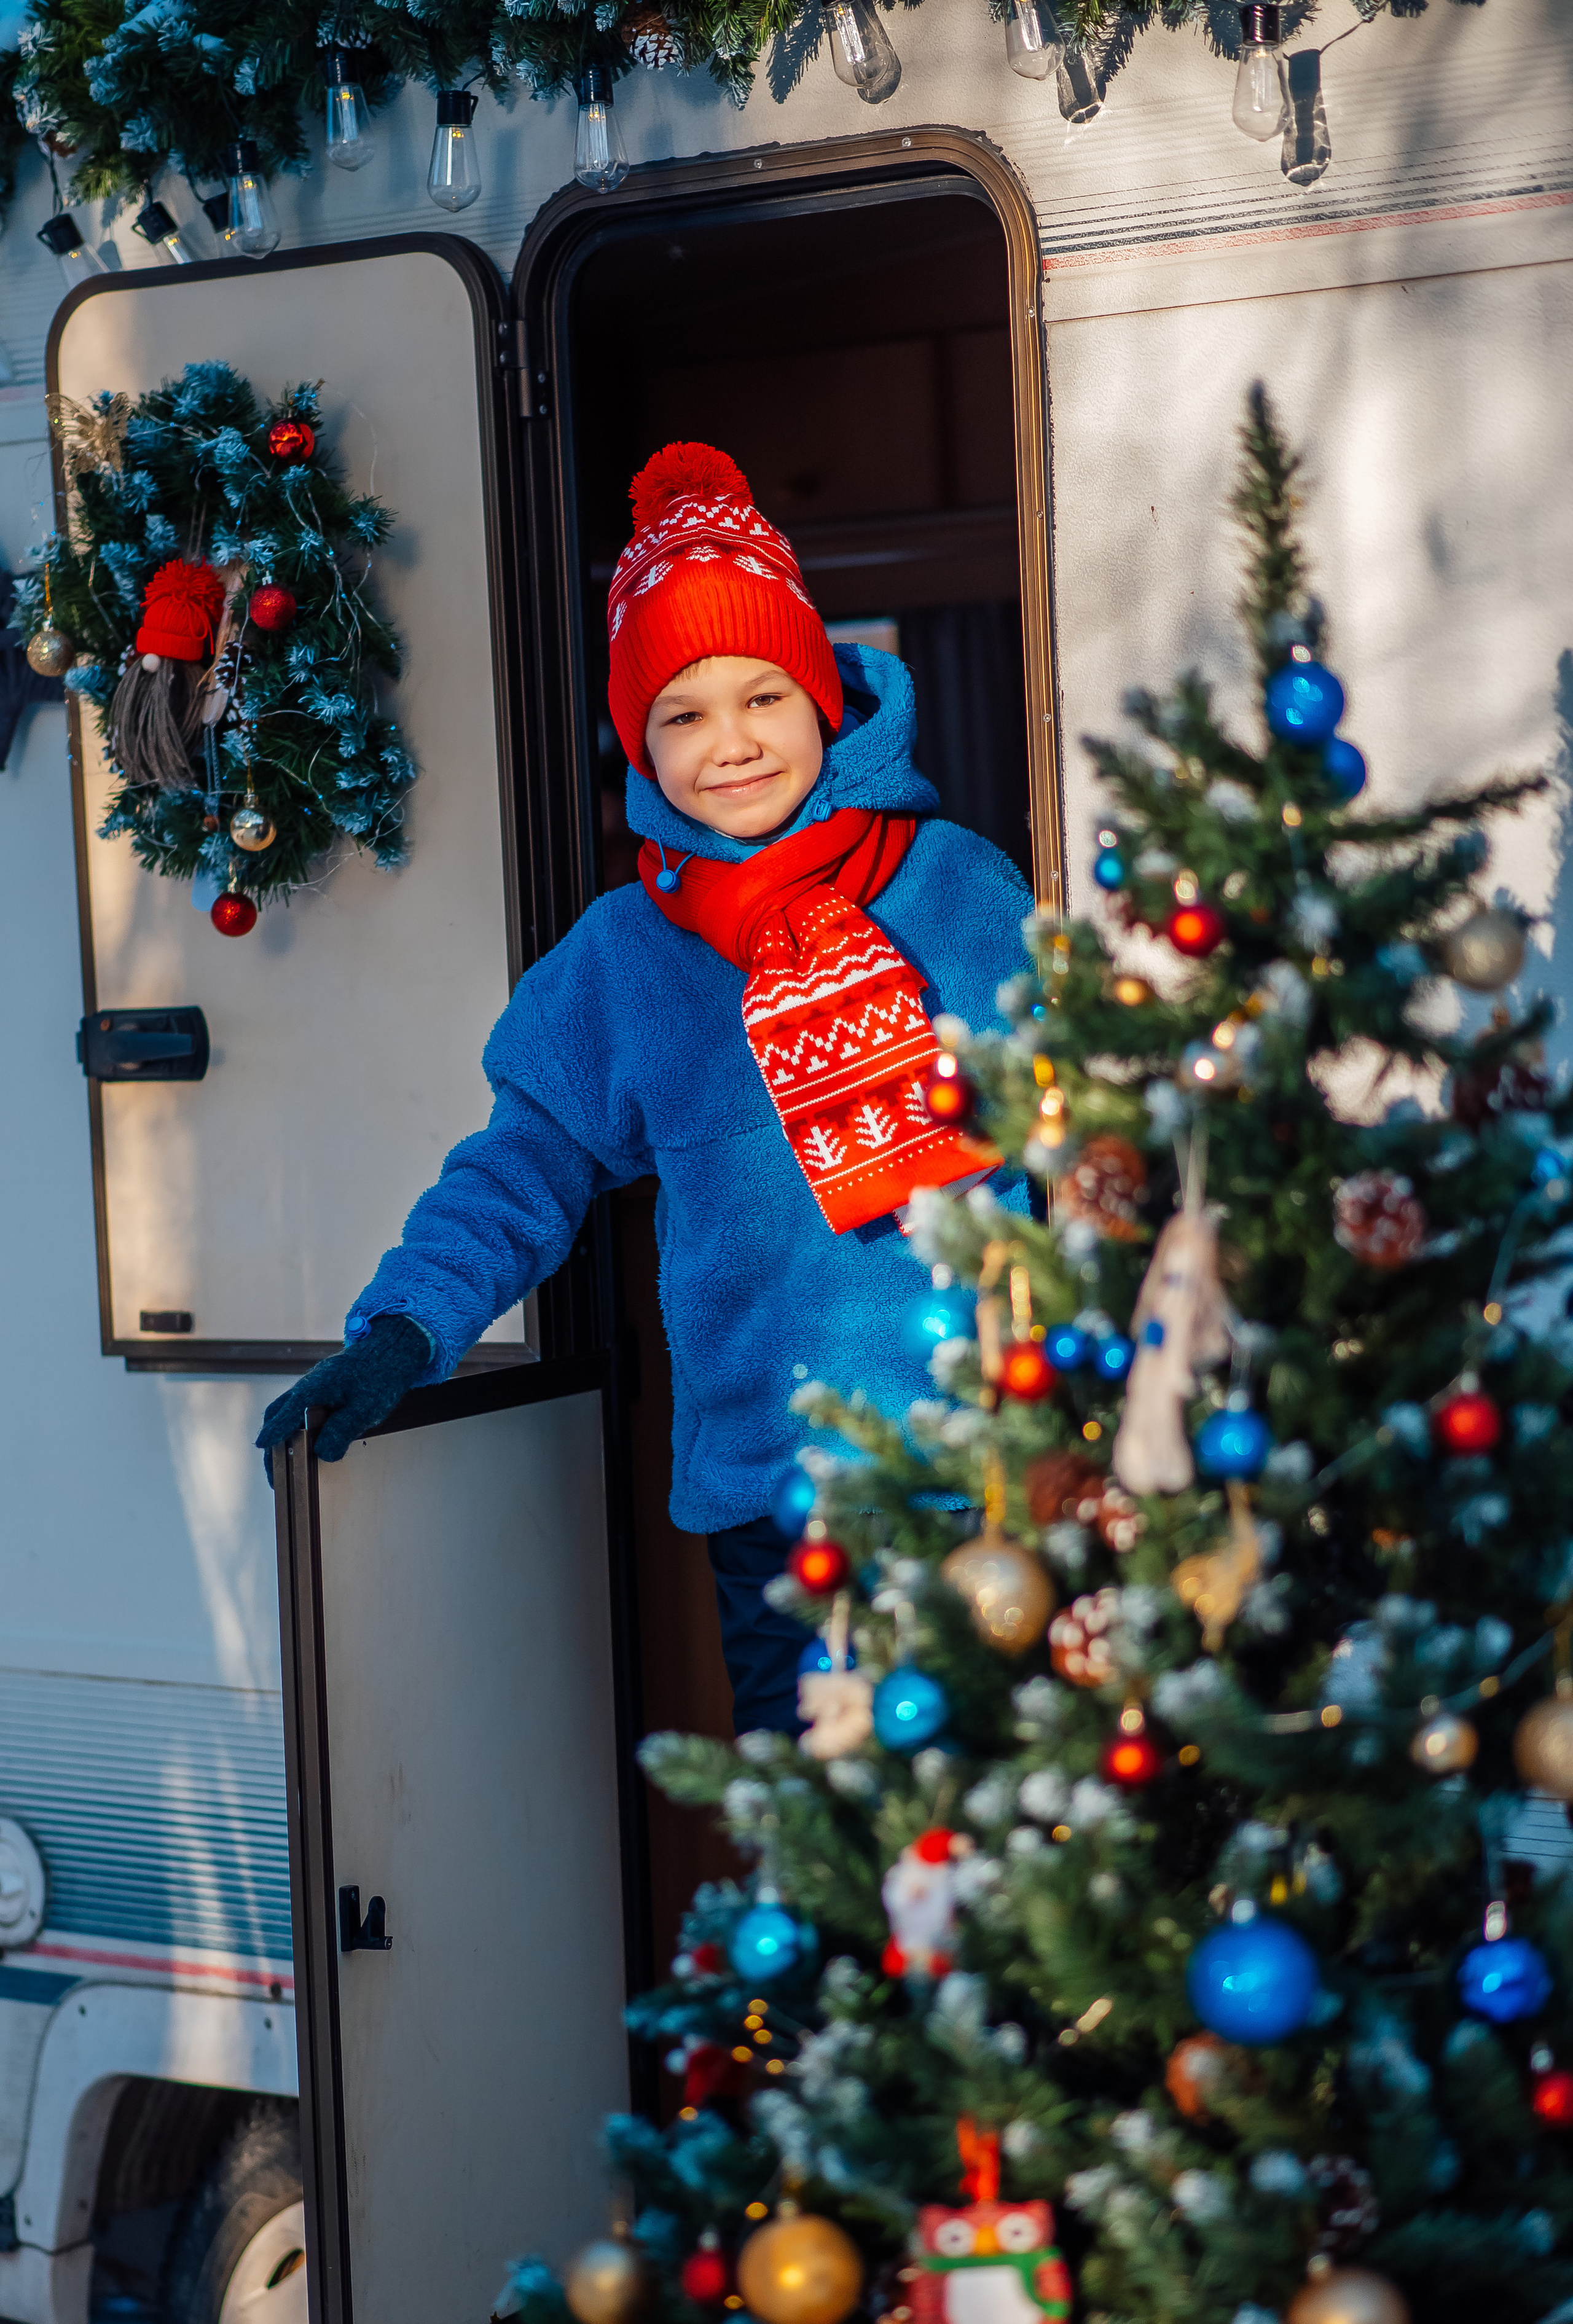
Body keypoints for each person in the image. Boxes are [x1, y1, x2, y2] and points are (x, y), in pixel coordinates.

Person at [257, 444, 1034, 1734]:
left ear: (821, 703)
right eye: (681, 713)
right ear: (641, 745)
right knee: (823, 1846)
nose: (729, 743)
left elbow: (1081, 1116)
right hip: (776, 1496)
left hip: (990, 1459)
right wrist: (400, 1327)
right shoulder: (624, 955)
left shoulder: (950, 884)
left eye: (760, 697)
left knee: (1012, 1839)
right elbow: (524, 1166)